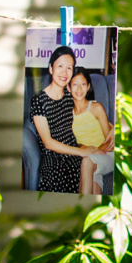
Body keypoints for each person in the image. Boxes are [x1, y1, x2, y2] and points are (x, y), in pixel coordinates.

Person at [31, 46, 98, 193]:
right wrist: (81, 152)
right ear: (50, 68)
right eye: (60, 66)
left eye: (69, 68)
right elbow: (48, 143)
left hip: (74, 152)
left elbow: (90, 112)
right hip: (53, 159)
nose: (64, 72)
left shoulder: (70, 96)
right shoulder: (38, 100)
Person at [69, 68, 114, 196]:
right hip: (90, 158)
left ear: (88, 86)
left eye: (83, 84)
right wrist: (83, 149)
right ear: (68, 87)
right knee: (94, 187)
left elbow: (110, 141)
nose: (79, 89)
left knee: (87, 162)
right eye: (75, 84)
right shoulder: (67, 115)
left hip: (107, 155)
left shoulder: (96, 108)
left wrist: (94, 150)